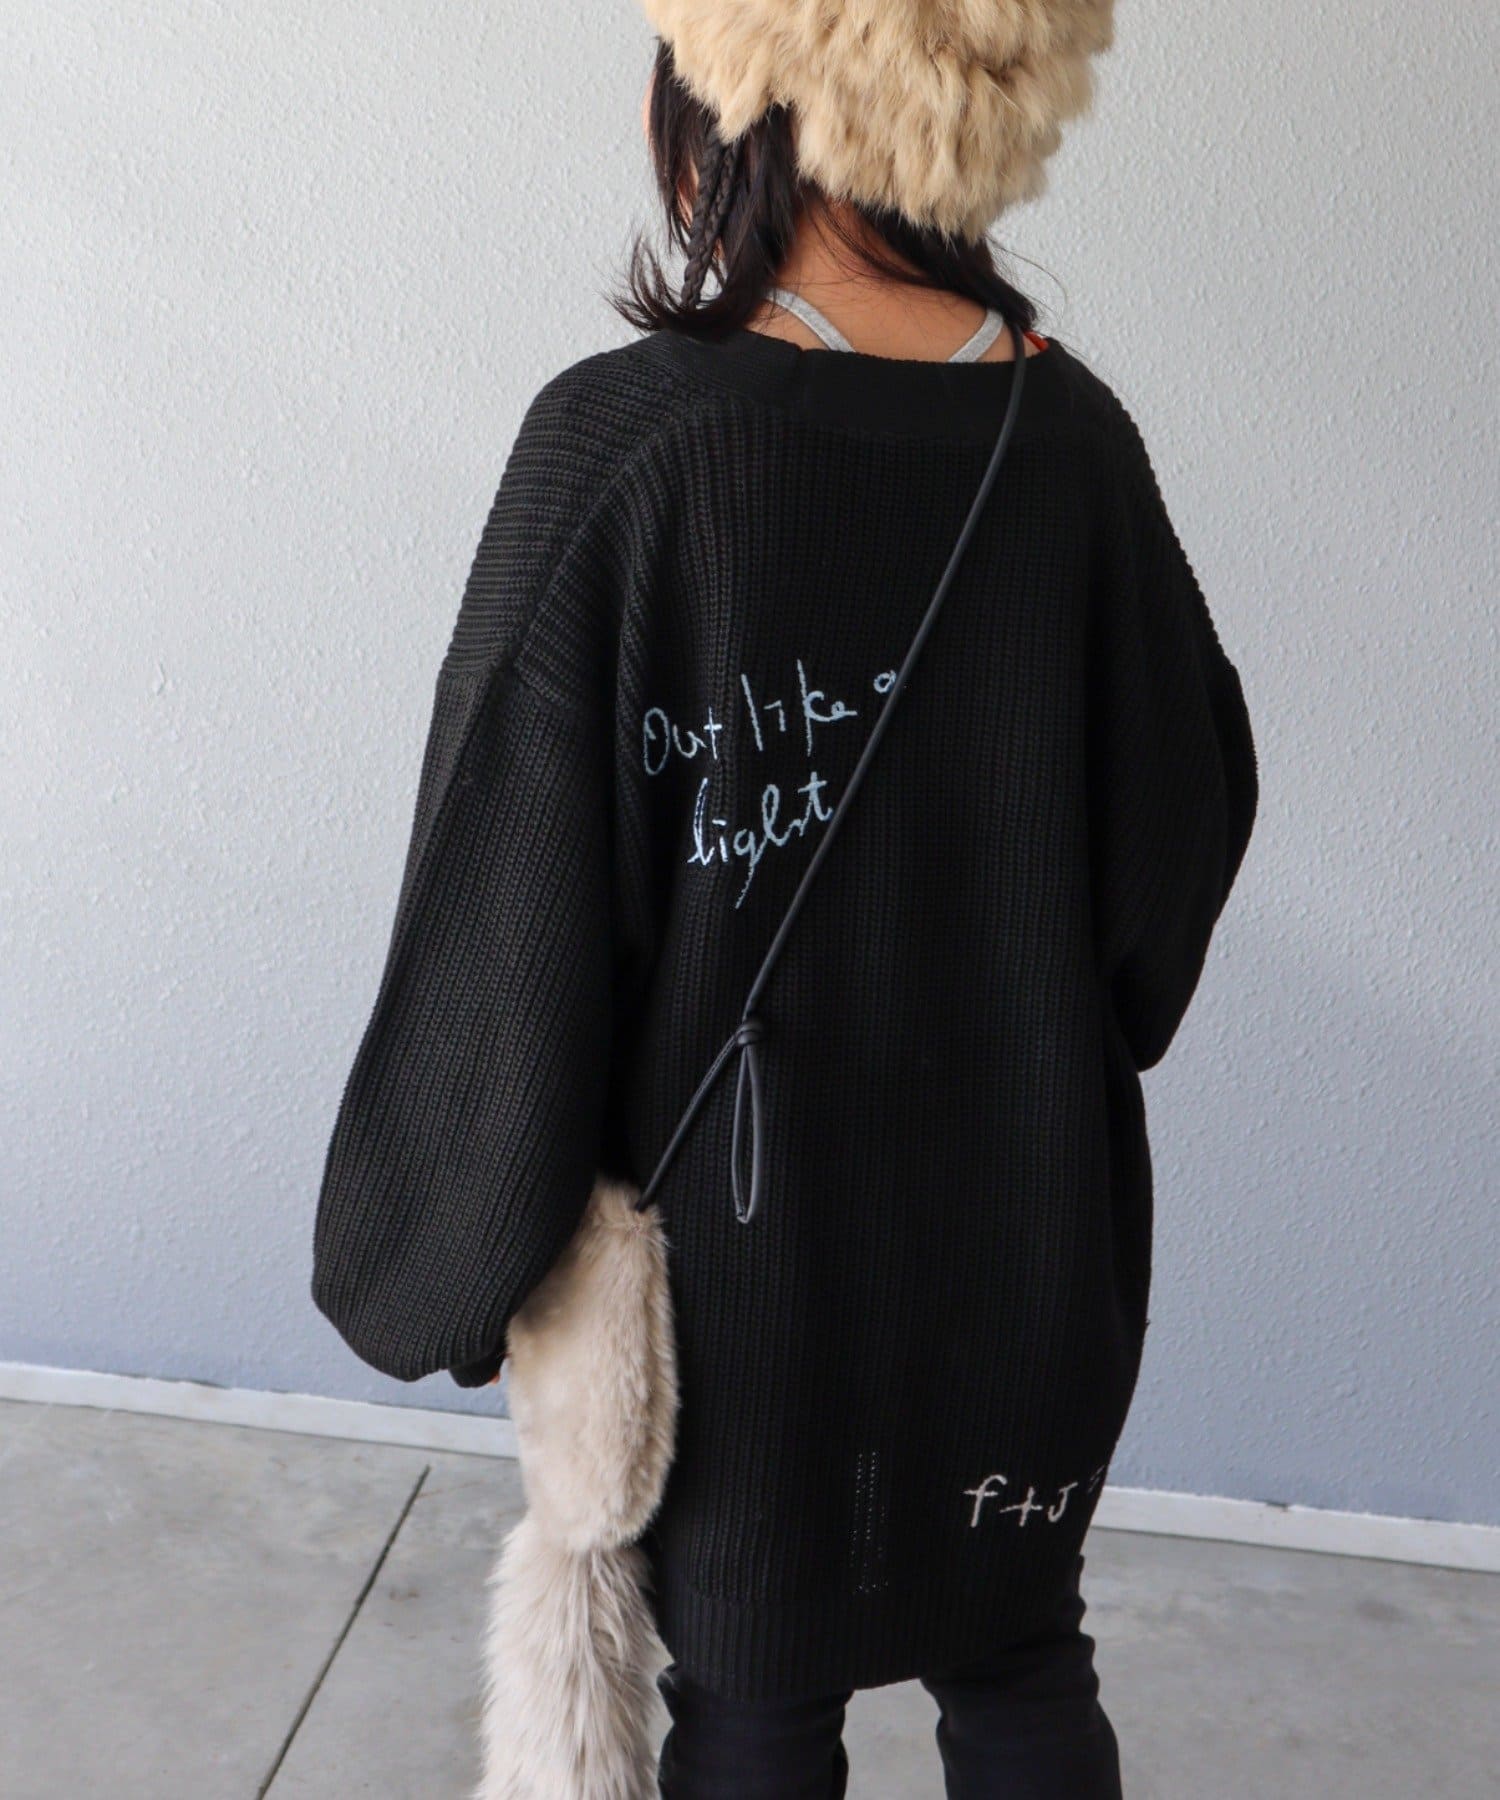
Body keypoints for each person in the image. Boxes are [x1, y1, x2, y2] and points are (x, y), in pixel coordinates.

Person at [312, 4, 1258, 1794]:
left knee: (750, 1696)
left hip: (743, 1262)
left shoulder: (628, 445)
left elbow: (506, 891)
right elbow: (1175, 851)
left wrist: (439, 1247)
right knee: (1022, 1657)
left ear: (724, 112)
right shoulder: (1073, 439)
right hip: (1028, 1218)